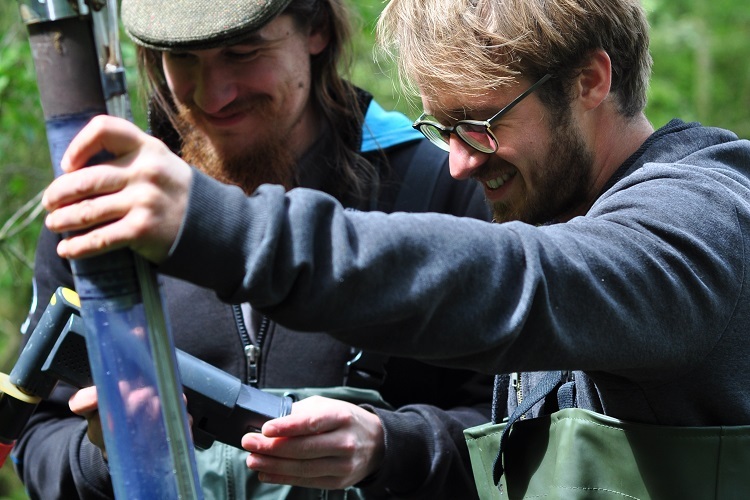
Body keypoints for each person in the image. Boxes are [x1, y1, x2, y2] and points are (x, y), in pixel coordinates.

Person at [37, 0, 750, 496]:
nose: (461, 164)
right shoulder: (558, 211)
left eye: (479, 122)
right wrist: (388, 448)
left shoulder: (703, 220)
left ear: (592, 79)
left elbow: (521, 283)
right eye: (442, 128)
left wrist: (213, 226)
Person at [13, 0, 495, 499]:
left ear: (317, 30)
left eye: (242, 53)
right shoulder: (105, 203)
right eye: (182, 58)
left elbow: (519, 427)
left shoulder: (440, 188)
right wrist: (107, 455)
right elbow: (35, 438)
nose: (212, 94)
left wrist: (388, 447)